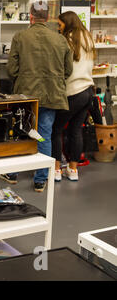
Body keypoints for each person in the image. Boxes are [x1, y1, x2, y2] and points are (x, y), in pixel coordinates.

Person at [1, 1, 73, 192]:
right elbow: (68, 70)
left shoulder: (20, 37)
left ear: (31, 16)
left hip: (25, 95)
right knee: (44, 135)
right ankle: (40, 180)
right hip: (51, 95)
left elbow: (11, 69)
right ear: (48, 17)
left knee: (20, 132)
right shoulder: (60, 40)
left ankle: (13, 174)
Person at [51, 11, 96, 182]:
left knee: (56, 130)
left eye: (60, 25)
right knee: (76, 130)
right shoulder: (88, 37)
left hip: (73, 91)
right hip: (88, 92)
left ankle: (56, 170)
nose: (58, 28)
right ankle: (73, 170)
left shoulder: (66, 41)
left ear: (67, 24)